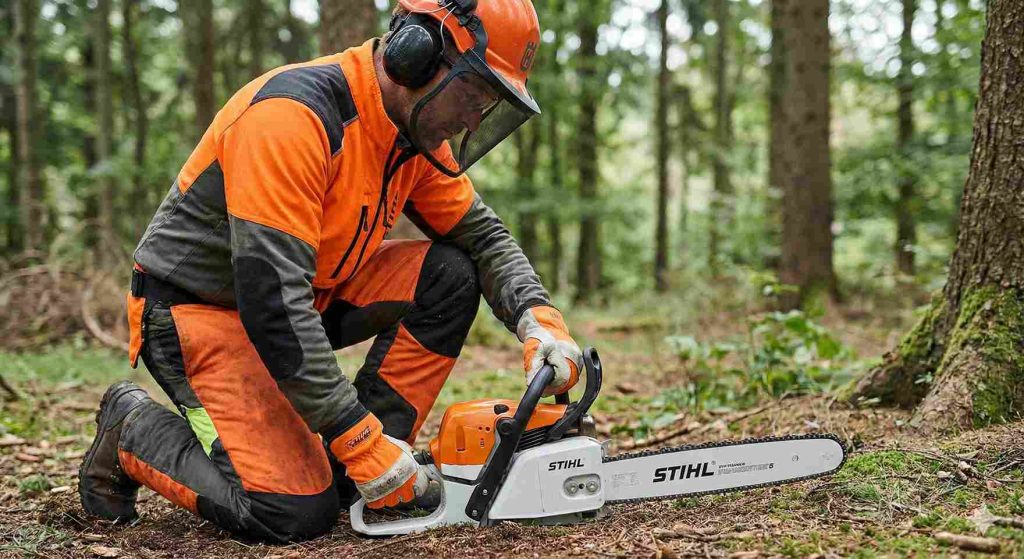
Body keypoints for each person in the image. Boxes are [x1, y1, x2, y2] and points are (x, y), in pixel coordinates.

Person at [77, 0, 583, 543]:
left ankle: (360, 466)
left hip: (303, 301)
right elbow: (272, 302)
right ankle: (130, 429)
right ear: (417, 54)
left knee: (450, 275)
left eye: (487, 105)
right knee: (290, 511)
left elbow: (484, 238)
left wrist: (540, 320)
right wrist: (353, 436)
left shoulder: (410, 138)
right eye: (472, 95)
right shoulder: (292, 117)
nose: (471, 119)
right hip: (199, 313)